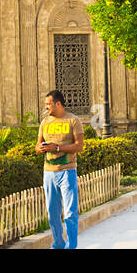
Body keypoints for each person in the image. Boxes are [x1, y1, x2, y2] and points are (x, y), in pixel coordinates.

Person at [37, 89, 84, 249]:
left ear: (58, 103)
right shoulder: (45, 122)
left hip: (67, 171)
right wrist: (41, 148)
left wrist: (57, 148)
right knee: (52, 214)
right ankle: (58, 244)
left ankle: (72, 246)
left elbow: (79, 146)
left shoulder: (73, 121)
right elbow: (38, 145)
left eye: (48, 104)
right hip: (49, 172)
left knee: (70, 213)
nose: (46, 107)